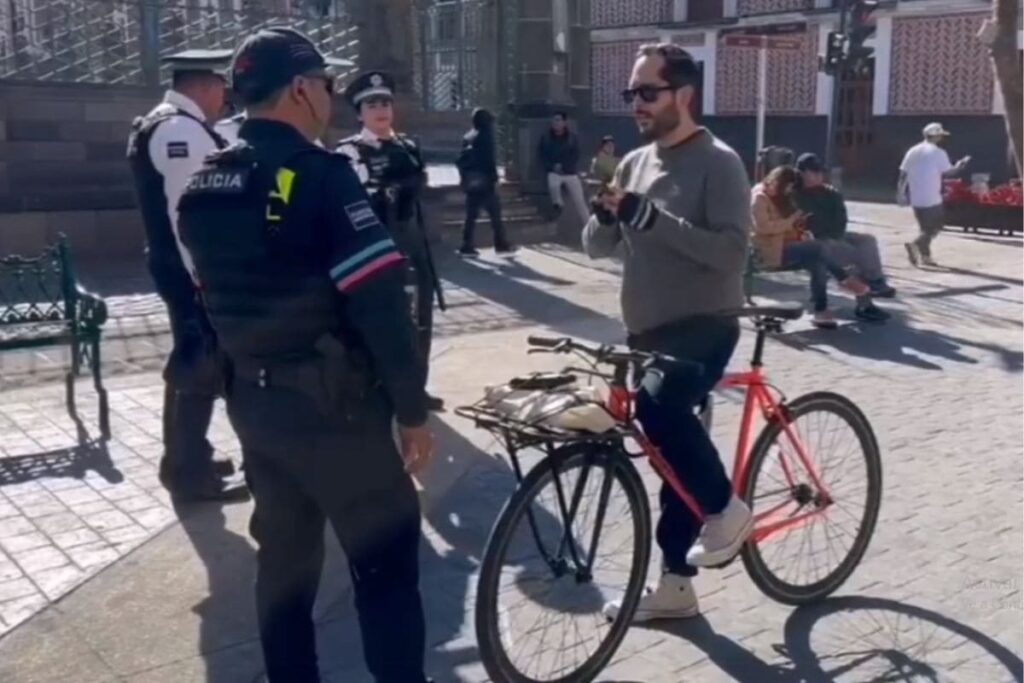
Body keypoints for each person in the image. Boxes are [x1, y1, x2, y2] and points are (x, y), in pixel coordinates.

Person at [176, 27, 434, 683]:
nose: (331, 97)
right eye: (325, 84)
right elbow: (380, 304)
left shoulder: (206, 183)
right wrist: (412, 411)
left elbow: (211, 298)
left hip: (257, 411)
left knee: (285, 572)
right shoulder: (319, 177)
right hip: (337, 414)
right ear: (299, 89)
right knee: (386, 571)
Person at [585, 43, 754, 622]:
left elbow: (732, 253)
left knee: (659, 413)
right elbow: (596, 247)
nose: (636, 104)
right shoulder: (634, 163)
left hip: (705, 324)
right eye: (631, 93)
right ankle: (676, 584)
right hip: (647, 331)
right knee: (666, 455)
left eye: (647, 93)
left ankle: (726, 511)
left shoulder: (721, 162)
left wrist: (651, 218)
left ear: (683, 95)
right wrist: (605, 216)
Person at [126, 49, 247, 503]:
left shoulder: (162, 121)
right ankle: (188, 473)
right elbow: (189, 215)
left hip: (172, 264)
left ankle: (185, 455)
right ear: (207, 85)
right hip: (187, 269)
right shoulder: (181, 131)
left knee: (191, 363)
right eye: (222, 89)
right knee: (199, 367)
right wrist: (206, 279)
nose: (224, 100)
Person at [336, 72, 445, 412]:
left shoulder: (408, 147)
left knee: (421, 320)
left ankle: (417, 389)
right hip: (379, 250)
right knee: (391, 323)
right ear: (359, 113)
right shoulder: (351, 153)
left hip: (413, 244)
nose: (381, 109)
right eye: (371, 104)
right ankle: (387, 390)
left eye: (385, 103)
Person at [752, 166, 878, 329]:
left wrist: (800, 230)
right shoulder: (759, 198)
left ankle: (821, 311)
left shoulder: (781, 197)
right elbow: (764, 228)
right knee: (817, 248)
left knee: (817, 261)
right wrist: (790, 221)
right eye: (787, 187)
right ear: (777, 182)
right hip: (769, 251)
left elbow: (786, 228)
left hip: (787, 247)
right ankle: (844, 279)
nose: (787, 191)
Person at [793, 154, 893, 314]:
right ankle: (865, 306)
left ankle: (875, 281)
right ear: (802, 173)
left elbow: (840, 220)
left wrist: (835, 235)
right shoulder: (794, 194)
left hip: (833, 235)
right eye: (814, 172)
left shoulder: (830, 193)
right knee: (855, 257)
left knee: (866, 240)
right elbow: (804, 224)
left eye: (820, 172)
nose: (819, 175)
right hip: (811, 242)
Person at [898, 122, 970, 267]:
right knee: (935, 227)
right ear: (935, 136)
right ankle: (915, 245)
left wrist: (901, 193)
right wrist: (960, 165)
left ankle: (926, 257)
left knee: (924, 229)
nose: (941, 138)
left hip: (916, 196)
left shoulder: (913, 150)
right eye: (940, 136)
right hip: (932, 196)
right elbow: (949, 172)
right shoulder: (938, 153)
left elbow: (903, 174)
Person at [455, 107, 514, 256]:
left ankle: (466, 245)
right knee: (495, 214)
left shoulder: (468, 136)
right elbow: (489, 159)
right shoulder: (485, 135)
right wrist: (494, 178)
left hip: (471, 182)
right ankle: (501, 244)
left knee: (471, 215)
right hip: (485, 181)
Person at [538, 111, 589, 223]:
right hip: (554, 172)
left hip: (570, 172)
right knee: (553, 184)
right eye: (554, 120)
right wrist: (552, 166)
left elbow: (575, 155)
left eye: (558, 120)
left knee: (580, 201)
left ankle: (589, 225)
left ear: (564, 122)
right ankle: (558, 205)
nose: (555, 123)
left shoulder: (572, 138)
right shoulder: (546, 138)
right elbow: (543, 156)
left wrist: (564, 166)